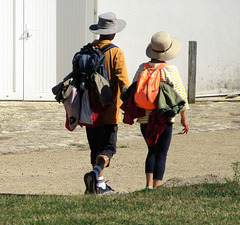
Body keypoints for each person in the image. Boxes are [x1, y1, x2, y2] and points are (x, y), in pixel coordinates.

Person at [132, 31, 189, 189]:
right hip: (164, 118)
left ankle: (148, 185)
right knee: (162, 153)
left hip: (145, 116)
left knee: (151, 150)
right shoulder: (170, 70)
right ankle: (158, 186)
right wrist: (184, 118)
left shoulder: (142, 68)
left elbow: (133, 90)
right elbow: (180, 96)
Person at [84, 12, 130, 194]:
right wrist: (130, 105)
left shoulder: (88, 49)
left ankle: (98, 186)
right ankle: (95, 174)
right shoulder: (116, 52)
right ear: (113, 33)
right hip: (109, 109)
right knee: (108, 149)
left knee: (96, 148)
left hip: (88, 109)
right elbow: (123, 82)